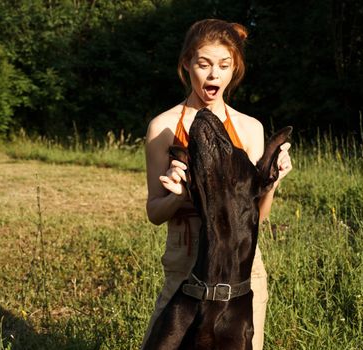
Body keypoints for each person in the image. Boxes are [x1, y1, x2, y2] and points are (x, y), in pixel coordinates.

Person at [142, 18, 292, 349]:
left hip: (240, 273)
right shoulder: (163, 128)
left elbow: (255, 217)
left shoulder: (250, 128)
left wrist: (273, 182)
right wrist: (176, 196)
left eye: (224, 65)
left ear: (234, 68)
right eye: (204, 64)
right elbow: (154, 212)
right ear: (186, 64)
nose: (214, 75)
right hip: (184, 264)